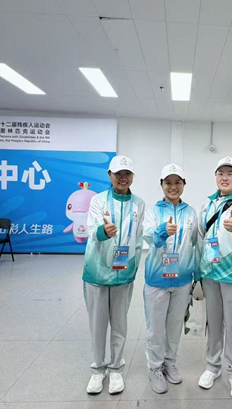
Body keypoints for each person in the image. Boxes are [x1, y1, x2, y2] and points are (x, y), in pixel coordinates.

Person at [83, 155, 145, 396]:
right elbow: (90, 231)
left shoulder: (139, 204)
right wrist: (103, 231)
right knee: (97, 324)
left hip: (123, 273)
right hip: (97, 272)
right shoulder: (98, 200)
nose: (123, 178)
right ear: (110, 175)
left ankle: (116, 368)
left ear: (132, 177)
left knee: (119, 323)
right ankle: (98, 369)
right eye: (118, 173)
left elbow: (138, 239)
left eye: (127, 173)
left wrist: (133, 267)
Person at [197, 156, 232, 399]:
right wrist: (198, 271)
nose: (225, 177)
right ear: (215, 177)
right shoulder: (207, 205)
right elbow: (200, 237)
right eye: (221, 173)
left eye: (230, 173)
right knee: (213, 322)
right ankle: (212, 366)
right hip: (210, 272)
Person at [142, 163, 199, 394]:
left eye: (177, 182)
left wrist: (197, 276)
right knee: (155, 328)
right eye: (168, 182)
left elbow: (196, 244)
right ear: (161, 185)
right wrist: (163, 231)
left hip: (182, 280)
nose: (173, 187)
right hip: (157, 279)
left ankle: (169, 363)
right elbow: (149, 238)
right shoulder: (153, 212)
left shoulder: (191, 212)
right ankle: (155, 368)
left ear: (184, 184)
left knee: (175, 326)